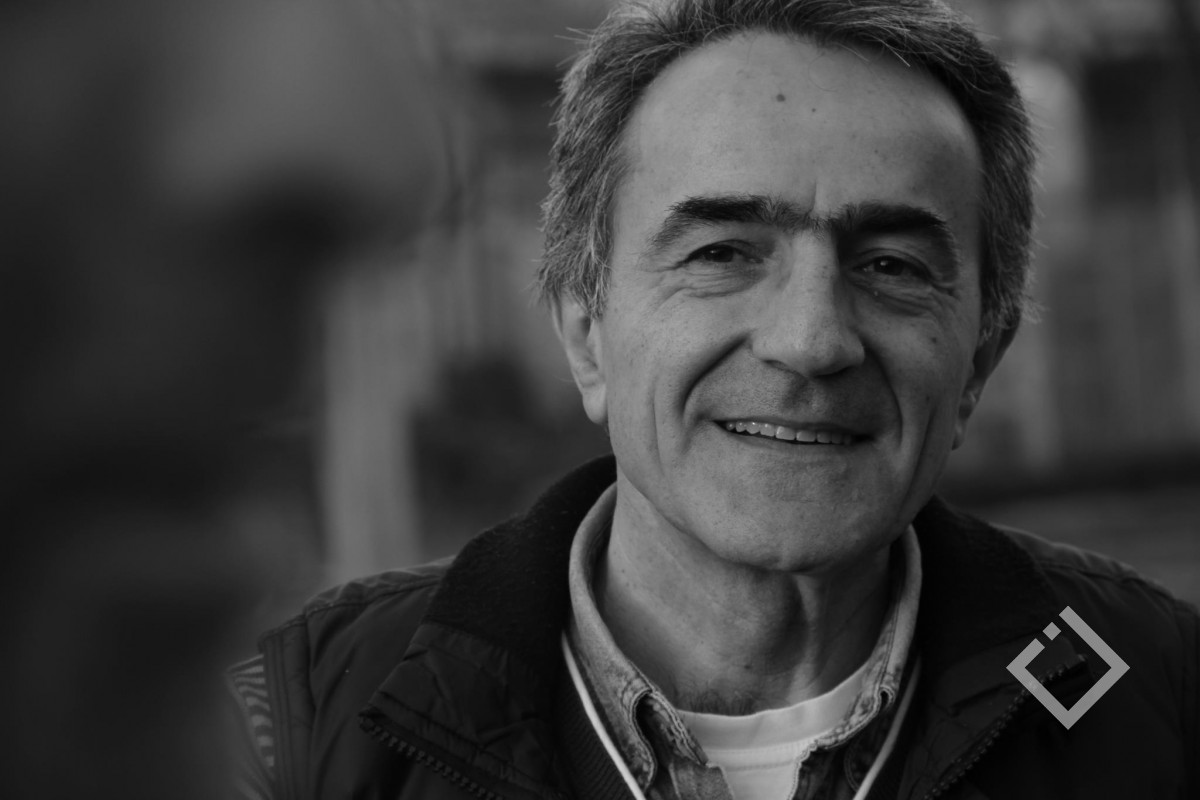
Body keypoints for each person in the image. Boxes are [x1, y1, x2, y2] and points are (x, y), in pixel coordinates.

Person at [232, 1, 1200, 798]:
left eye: (891, 265)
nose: (811, 341)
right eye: (723, 252)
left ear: (982, 357)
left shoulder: (1164, 700)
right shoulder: (289, 732)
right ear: (585, 331)